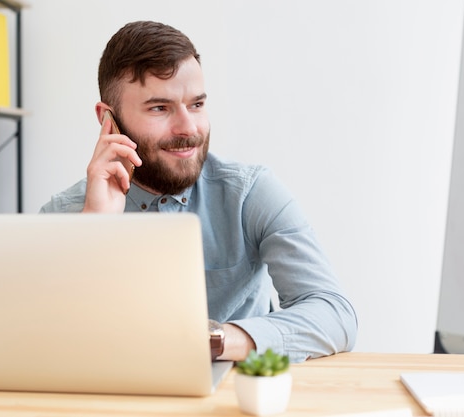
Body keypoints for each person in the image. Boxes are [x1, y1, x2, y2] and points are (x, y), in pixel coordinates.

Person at [40, 20, 358, 363]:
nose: (188, 128)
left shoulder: (249, 193)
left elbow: (334, 314)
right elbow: (42, 341)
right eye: (159, 108)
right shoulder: (64, 215)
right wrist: (95, 230)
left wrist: (215, 341)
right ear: (108, 120)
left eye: (196, 105)